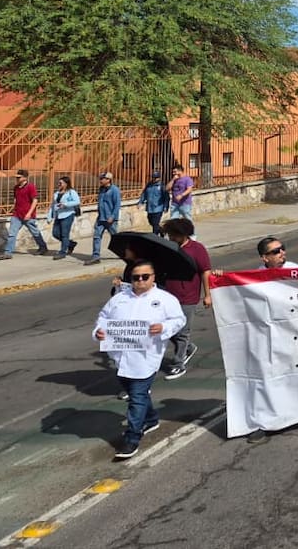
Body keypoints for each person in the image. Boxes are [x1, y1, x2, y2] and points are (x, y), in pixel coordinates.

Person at [93, 259, 186, 460]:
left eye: (145, 276)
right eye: (136, 277)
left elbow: (179, 320)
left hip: (147, 358)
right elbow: (103, 318)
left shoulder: (165, 299)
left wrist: (163, 328)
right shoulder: (119, 299)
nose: (141, 281)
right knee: (136, 393)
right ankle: (151, 418)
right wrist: (98, 332)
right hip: (120, 357)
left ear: (153, 277)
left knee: (137, 397)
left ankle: (132, 438)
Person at [157, 218, 211, 380]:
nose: (171, 237)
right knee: (164, 328)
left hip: (188, 296)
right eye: (169, 235)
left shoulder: (197, 249)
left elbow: (205, 271)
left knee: (182, 331)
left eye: (173, 235)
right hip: (167, 295)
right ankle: (188, 348)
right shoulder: (168, 248)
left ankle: (178, 364)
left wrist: (208, 295)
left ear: (184, 234)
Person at [0, 169, 49, 260]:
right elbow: (16, 199)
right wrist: (14, 208)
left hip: (28, 216)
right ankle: (8, 253)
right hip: (17, 215)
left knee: (35, 232)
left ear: (25, 178)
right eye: (16, 177)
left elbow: (35, 201)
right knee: (12, 234)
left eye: (19, 177)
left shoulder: (30, 187)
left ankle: (43, 247)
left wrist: (29, 213)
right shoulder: (16, 187)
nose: (17, 178)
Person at [87, 172, 121, 266]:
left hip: (110, 219)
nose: (101, 180)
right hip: (101, 218)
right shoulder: (101, 189)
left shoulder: (115, 190)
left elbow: (117, 205)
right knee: (96, 236)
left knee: (116, 237)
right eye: (100, 178)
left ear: (108, 180)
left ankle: (123, 252)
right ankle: (96, 256)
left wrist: (113, 216)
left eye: (102, 179)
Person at [47, 175, 82, 259]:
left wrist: (65, 205)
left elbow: (77, 201)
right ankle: (70, 244)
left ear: (66, 184)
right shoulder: (56, 193)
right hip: (58, 215)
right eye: (58, 183)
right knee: (55, 233)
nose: (59, 184)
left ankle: (62, 252)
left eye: (60, 183)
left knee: (64, 234)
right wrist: (49, 216)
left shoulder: (71, 192)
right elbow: (53, 205)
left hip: (68, 214)